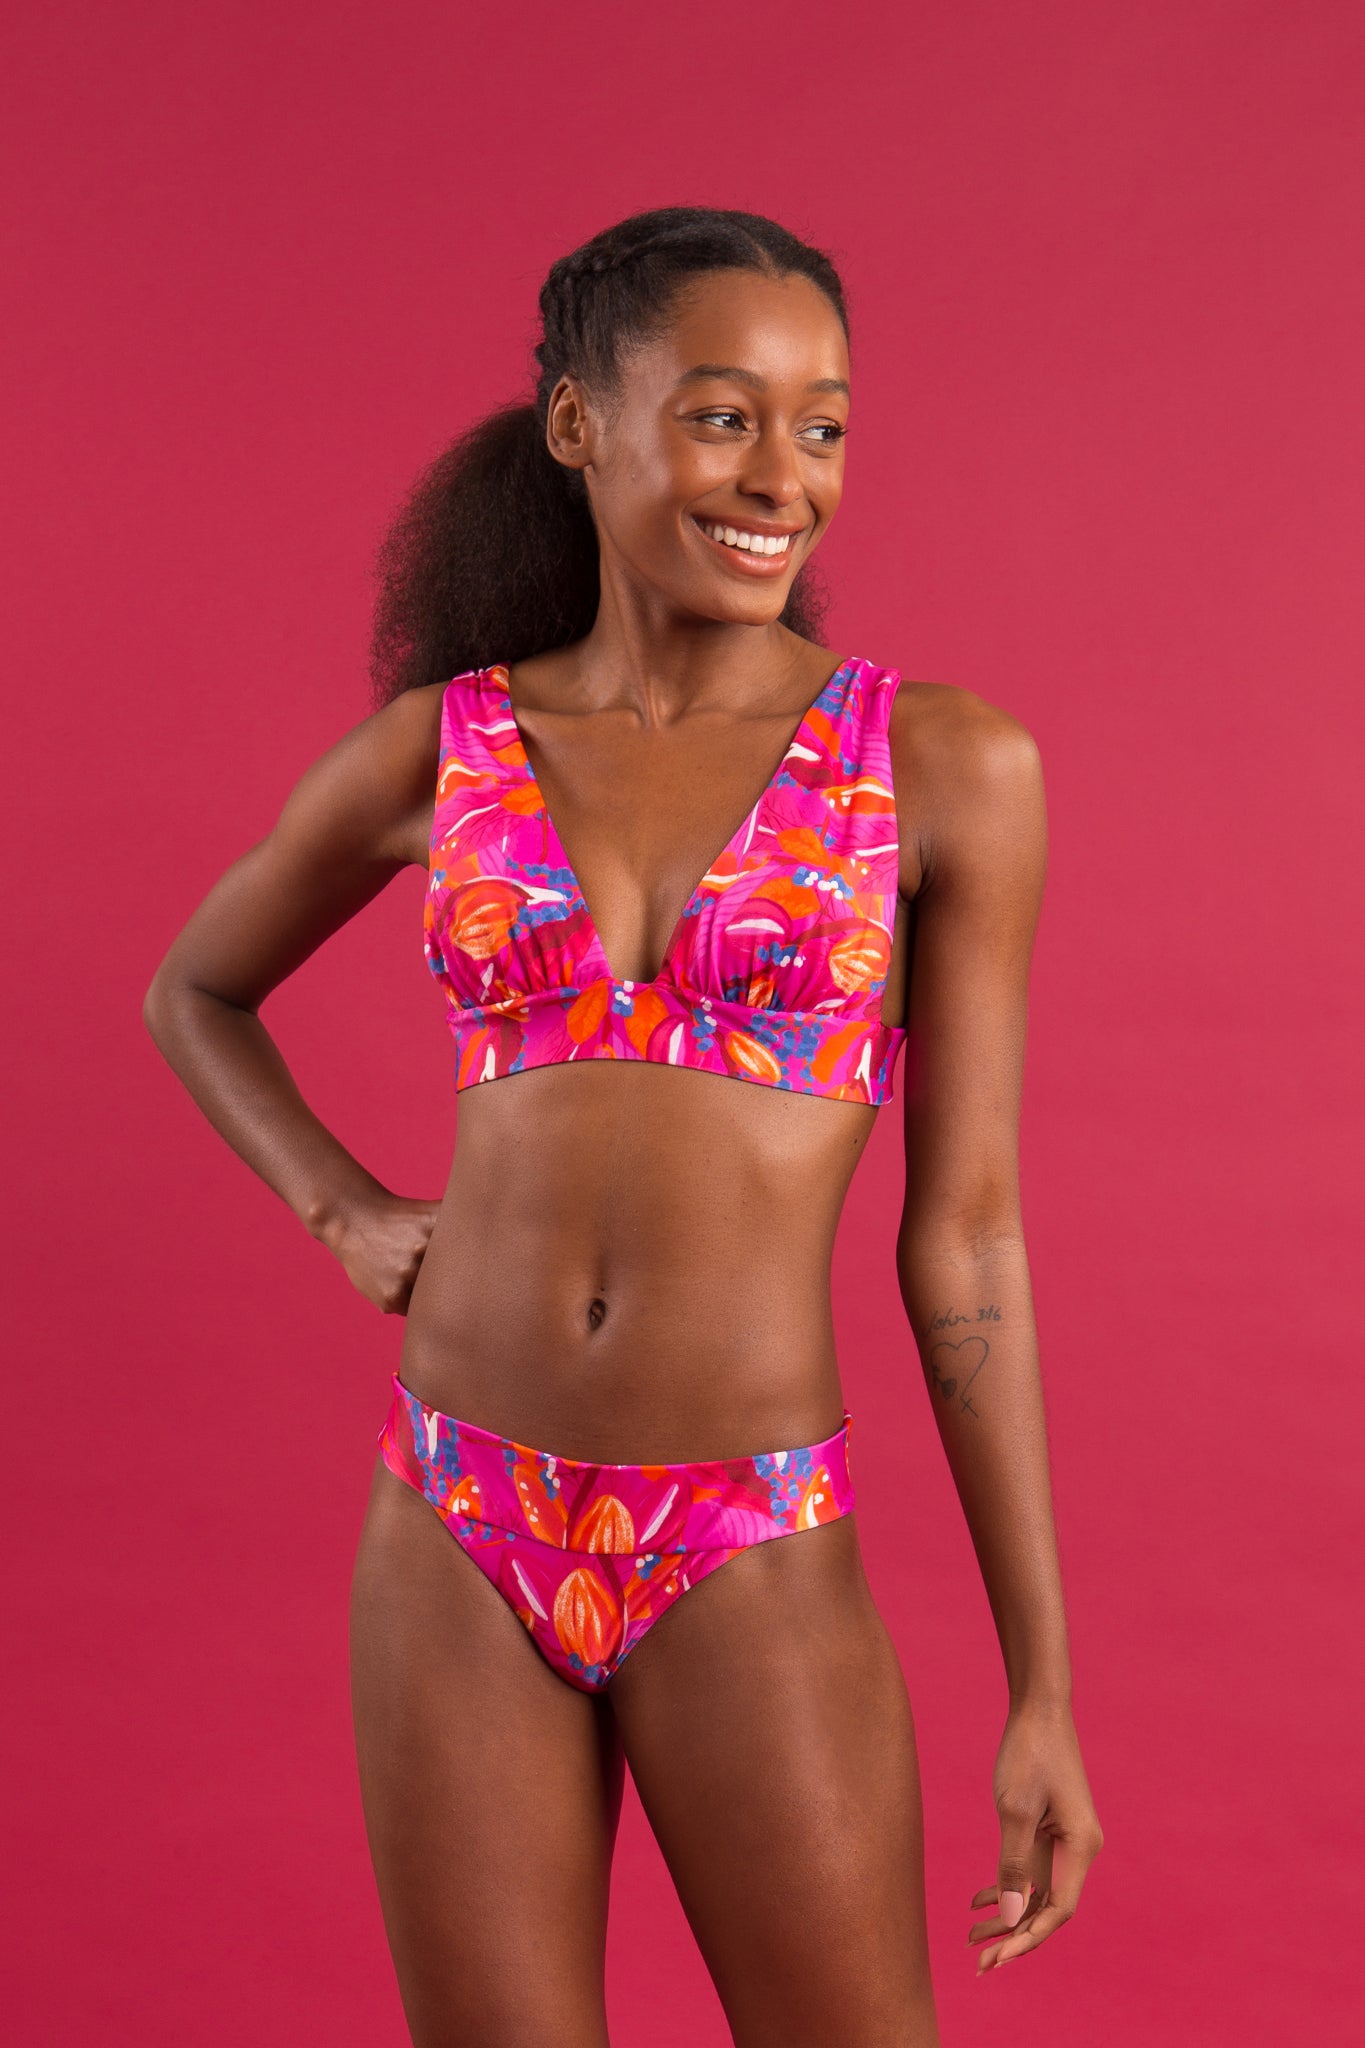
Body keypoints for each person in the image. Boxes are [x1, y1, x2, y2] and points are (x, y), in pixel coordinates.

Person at [144, 205, 1102, 2048]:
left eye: (822, 426)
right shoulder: (446, 746)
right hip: (458, 1515)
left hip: (744, 1528)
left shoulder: (940, 765)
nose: (781, 477)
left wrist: (1040, 1682)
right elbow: (195, 989)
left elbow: (965, 1234)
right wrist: (340, 1209)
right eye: (723, 416)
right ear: (579, 425)